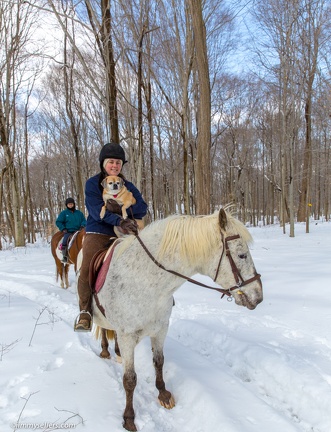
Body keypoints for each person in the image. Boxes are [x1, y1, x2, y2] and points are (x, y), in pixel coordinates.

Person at [74, 141, 148, 331]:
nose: (114, 165)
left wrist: (124, 209)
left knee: (147, 258)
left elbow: (142, 207)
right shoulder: (93, 184)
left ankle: (154, 300)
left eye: (118, 162)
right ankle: (85, 312)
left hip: (125, 232)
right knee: (87, 265)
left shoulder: (127, 185)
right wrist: (118, 220)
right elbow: (95, 210)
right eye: (111, 162)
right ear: (103, 163)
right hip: (98, 231)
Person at [55, 197, 87, 263]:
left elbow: (84, 220)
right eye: (69, 204)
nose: (70, 205)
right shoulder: (64, 213)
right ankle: (64, 256)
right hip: (68, 231)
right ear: (66, 205)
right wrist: (63, 228)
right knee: (64, 241)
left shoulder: (79, 213)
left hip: (79, 231)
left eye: (71, 204)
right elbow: (58, 222)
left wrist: (82, 225)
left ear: (74, 204)